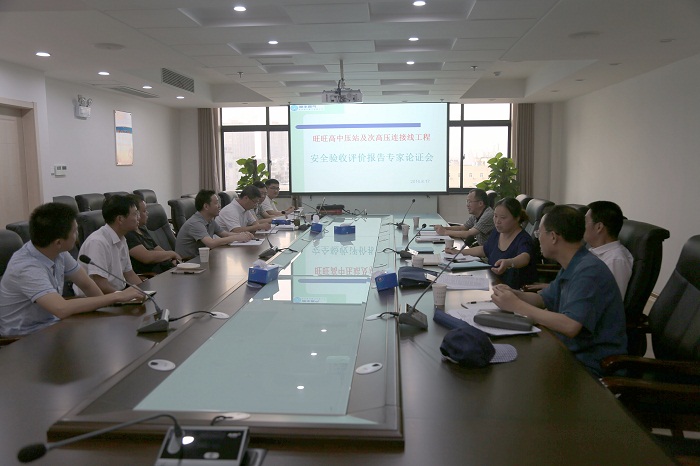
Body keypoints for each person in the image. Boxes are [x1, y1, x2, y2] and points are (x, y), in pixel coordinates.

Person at [491, 205, 627, 377]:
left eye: (539, 233)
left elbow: (570, 325)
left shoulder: (589, 271)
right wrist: (514, 294)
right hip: (567, 349)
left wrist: (517, 305)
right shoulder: (573, 263)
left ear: (553, 237)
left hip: (590, 365)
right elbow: (542, 299)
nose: (538, 238)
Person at [0, 203, 143, 336]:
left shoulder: (58, 252)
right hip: (24, 338)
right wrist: (117, 296)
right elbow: (61, 309)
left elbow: (87, 285)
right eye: (75, 231)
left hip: (52, 325)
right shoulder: (26, 267)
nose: (77, 236)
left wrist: (105, 310)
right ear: (58, 242)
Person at [446, 197, 537, 289]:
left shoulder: (524, 239)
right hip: (492, 283)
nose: (497, 221)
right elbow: (484, 249)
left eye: (503, 218)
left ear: (517, 218)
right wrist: (459, 252)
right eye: (495, 216)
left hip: (512, 291)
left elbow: (525, 257)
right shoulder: (497, 232)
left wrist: (509, 262)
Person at [76, 195, 143, 295]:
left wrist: (145, 293)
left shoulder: (121, 238)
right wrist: (124, 296)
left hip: (117, 295)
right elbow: (100, 284)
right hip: (97, 299)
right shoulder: (97, 242)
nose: (138, 217)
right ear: (120, 219)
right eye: (135, 214)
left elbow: (129, 274)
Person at [175, 189, 254, 259]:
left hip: (201, 259)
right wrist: (236, 237)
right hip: (188, 262)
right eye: (216, 203)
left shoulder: (210, 220)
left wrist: (242, 235)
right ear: (206, 206)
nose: (219, 206)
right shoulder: (195, 223)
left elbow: (225, 234)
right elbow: (211, 243)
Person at [584, 201, 633, 298]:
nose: (582, 227)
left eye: (585, 222)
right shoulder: (595, 251)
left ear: (599, 227)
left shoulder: (615, 261)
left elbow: (610, 302)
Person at [125, 194, 182, 275]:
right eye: (144, 211)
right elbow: (147, 257)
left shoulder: (142, 229)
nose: (147, 213)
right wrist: (172, 253)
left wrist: (171, 258)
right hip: (150, 275)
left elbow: (159, 250)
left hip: (163, 271)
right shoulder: (128, 234)